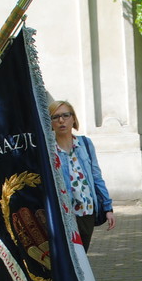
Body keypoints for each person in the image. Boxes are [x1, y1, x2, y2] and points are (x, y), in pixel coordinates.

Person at [49, 100, 116, 250]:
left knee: (81, 257)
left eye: (66, 115)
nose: (61, 120)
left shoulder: (85, 144)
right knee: (67, 259)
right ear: (50, 122)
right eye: (55, 117)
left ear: (73, 118)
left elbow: (97, 177)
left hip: (86, 211)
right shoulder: (48, 149)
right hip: (62, 214)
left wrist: (108, 208)